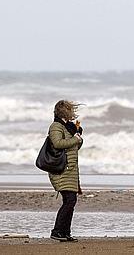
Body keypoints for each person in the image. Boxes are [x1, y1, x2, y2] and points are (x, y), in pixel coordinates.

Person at [48, 100, 84, 242]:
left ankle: (65, 233)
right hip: (61, 169)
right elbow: (57, 144)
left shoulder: (68, 127)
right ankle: (57, 231)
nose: (73, 112)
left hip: (70, 170)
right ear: (64, 111)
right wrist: (75, 138)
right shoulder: (56, 126)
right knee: (69, 200)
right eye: (70, 109)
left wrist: (78, 137)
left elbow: (74, 148)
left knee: (70, 201)